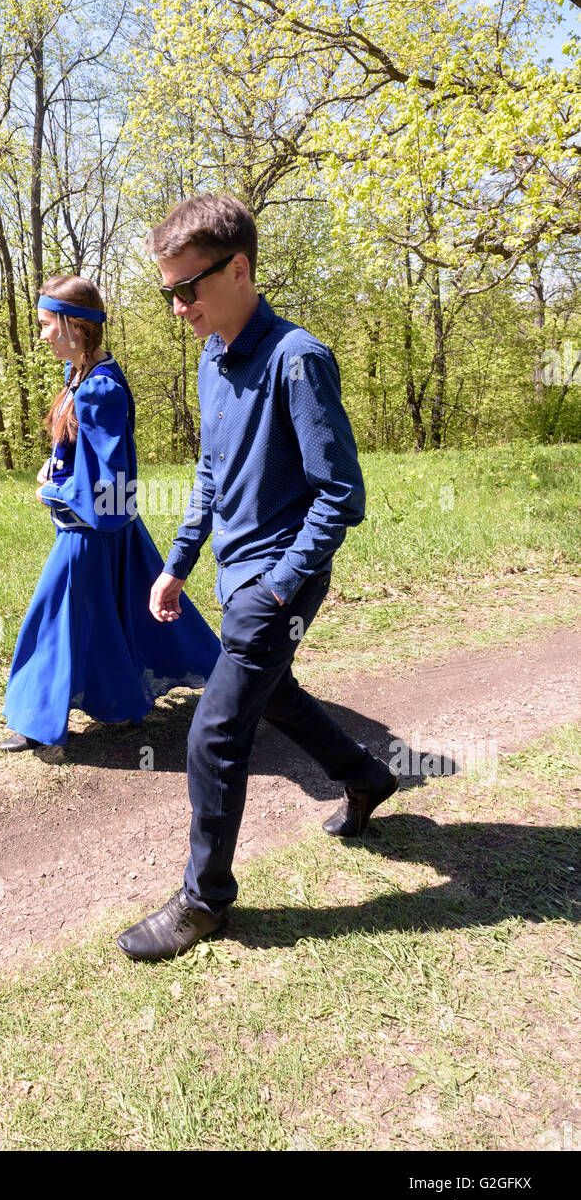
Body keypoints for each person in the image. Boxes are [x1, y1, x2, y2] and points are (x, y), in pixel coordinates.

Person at [116, 194, 398, 962]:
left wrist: (276, 587)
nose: (178, 307)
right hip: (237, 573)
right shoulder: (213, 357)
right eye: (167, 291)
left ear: (237, 269)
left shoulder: (295, 358)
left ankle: (203, 901)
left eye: (187, 289)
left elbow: (341, 494)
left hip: (276, 581)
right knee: (276, 696)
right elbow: (210, 473)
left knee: (214, 733)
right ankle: (366, 776)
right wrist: (176, 564)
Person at [0, 273, 221, 752]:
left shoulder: (100, 389)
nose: (41, 337)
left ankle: (37, 720)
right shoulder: (79, 374)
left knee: (55, 619)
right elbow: (85, 448)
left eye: (44, 325)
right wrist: (56, 458)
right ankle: (143, 698)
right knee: (125, 617)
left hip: (92, 532)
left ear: (73, 326)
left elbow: (111, 482)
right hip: (109, 531)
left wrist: (54, 493)